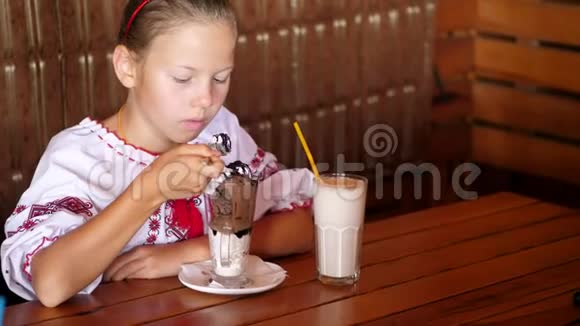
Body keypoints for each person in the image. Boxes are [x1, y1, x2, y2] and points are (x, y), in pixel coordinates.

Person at [1, 0, 314, 307]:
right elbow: (51, 284)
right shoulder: (79, 156)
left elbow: (300, 228)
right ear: (127, 68)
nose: (206, 99)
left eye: (220, 77)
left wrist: (196, 251)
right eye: (182, 78)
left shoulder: (219, 131)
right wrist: (150, 189)